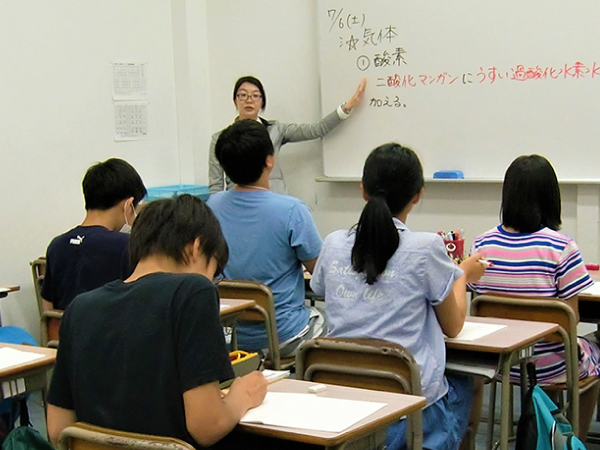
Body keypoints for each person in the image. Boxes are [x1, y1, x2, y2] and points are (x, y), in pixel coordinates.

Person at [46, 194, 268, 449]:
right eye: (213, 272)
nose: (210, 282)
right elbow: (207, 426)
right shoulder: (194, 290)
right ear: (196, 247)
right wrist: (243, 395)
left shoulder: (79, 308)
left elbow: (57, 428)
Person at [310, 143, 487, 450]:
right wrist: (463, 277)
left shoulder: (335, 243)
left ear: (363, 190)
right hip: (407, 407)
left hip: (340, 400)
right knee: (469, 380)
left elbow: (321, 290)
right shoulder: (426, 248)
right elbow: (454, 326)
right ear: (417, 194)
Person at [469, 154, 600, 439]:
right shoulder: (561, 247)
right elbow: (569, 321)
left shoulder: (481, 245)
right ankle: (568, 442)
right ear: (552, 197)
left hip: (502, 364)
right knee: (591, 352)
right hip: (552, 364)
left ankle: (544, 432)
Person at [207, 120, 324, 358]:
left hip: (230, 339)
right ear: (270, 160)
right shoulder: (292, 210)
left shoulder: (212, 206)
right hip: (284, 337)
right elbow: (321, 276)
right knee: (331, 324)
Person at [208, 75, 366, 195]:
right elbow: (215, 186)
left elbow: (317, 129)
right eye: (243, 95)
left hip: (273, 200)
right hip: (237, 204)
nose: (249, 100)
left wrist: (346, 108)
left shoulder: (275, 130)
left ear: (262, 102)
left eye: (255, 95)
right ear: (235, 100)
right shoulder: (221, 139)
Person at [41, 158, 147, 311]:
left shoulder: (56, 246)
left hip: (65, 334)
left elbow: (49, 312)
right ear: (129, 204)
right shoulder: (127, 245)